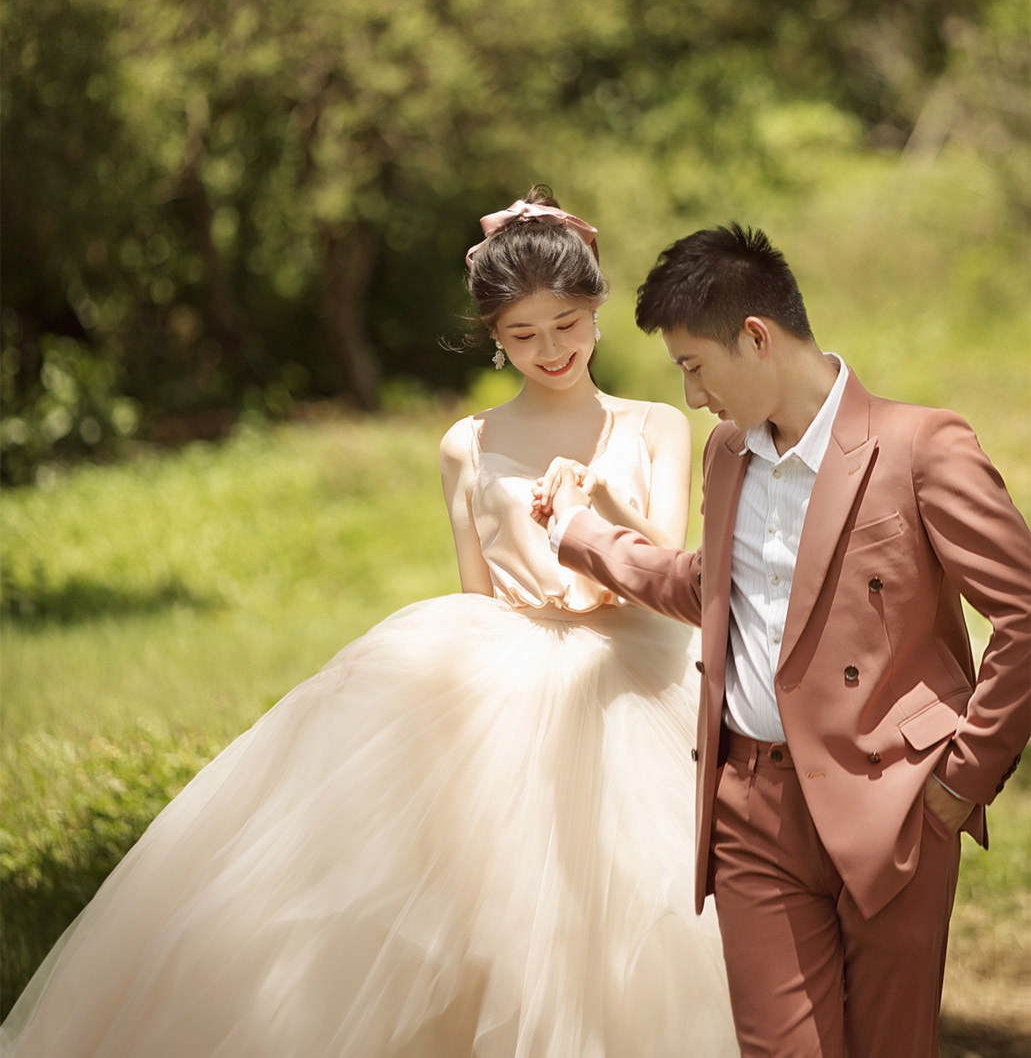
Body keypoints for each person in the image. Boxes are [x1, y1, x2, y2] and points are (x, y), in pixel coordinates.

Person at [2, 189, 738, 1058]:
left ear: (597, 311)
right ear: (494, 337)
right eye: (523, 334)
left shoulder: (654, 425)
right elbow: (476, 593)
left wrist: (595, 500)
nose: (550, 350)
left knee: (634, 901)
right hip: (505, 667)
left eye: (566, 324)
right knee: (464, 900)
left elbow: (666, 567)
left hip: (635, 667)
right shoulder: (467, 442)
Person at [534, 222, 1030, 1058]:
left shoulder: (921, 446)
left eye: (695, 366)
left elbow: (1021, 613)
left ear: (756, 337)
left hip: (894, 800)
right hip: (749, 806)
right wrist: (581, 536)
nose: (692, 395)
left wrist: (961, 778)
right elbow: (708, 589)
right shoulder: (728, 453)